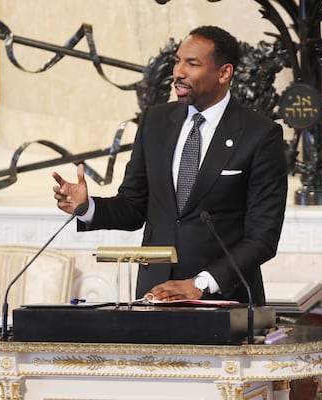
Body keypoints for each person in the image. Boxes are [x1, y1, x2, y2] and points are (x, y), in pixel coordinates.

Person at [53, 25, 287, 305]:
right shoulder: (155, 121)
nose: (178, 72)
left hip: (225, 301)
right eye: (178, 61)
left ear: (224, 73)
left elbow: (262, 237)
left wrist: (200, 284)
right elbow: (133, 207)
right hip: (155, 296)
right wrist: (87, 207)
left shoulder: (259, 134)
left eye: (192, 64)